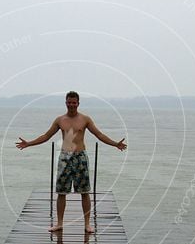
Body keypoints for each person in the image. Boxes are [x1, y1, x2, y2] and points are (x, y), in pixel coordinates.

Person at [16, 91, 126, 233]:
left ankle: (87, 224)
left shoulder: (85, 119)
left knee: (84, 192)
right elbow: (46, 136)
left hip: (80, 157)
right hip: (65, 157)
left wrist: (115, 144)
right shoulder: (60, 120)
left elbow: (99, 134)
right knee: (61, 192)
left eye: (74, 102)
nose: (72, 105)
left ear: (78, 103)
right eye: (69, 102)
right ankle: (59, 223)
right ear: (66, 103)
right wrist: (29, 143)